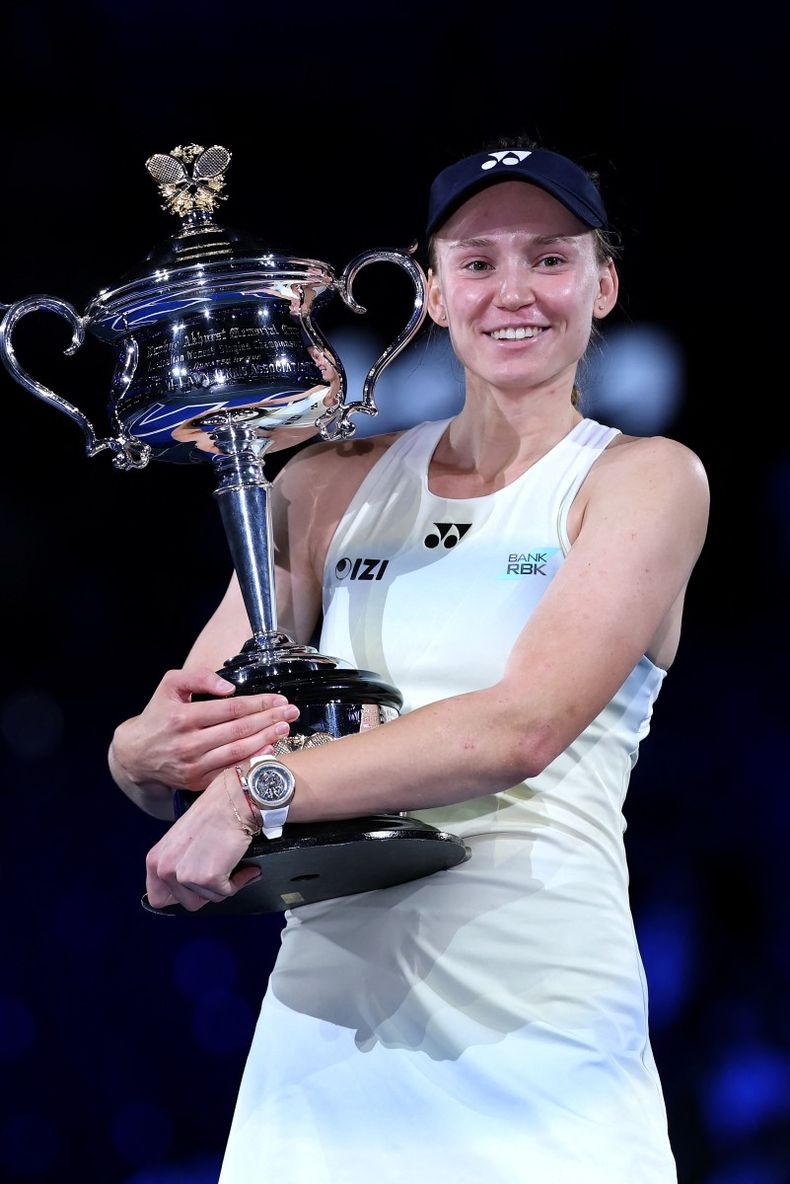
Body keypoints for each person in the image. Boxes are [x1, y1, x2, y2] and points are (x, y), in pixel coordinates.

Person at [109, 140, 709, 1183]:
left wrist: (260, 788)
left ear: (602, 282)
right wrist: (138, 753)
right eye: (475, 262)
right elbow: (199, 735)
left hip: (543, 1060)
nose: (511, 291)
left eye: (549, 258)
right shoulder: (324, 485)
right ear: (427, 289)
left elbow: (517, 727)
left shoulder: (644, 480)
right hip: (323, 1062)